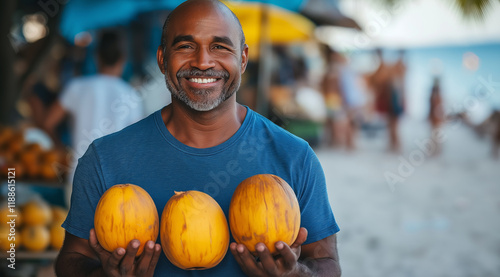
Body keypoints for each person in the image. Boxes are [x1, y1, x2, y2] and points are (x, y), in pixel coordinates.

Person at [55, 1, 341, 276]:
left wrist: (294, 274)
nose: (203, 62)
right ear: (162, 60)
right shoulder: (105, 159)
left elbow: (327, 263)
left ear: (242, 59)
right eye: (185, 46)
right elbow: (71, 260)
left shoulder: (294, 156)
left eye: (219, 46)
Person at [43, 31, 144, 200]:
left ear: (96, 57)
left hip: (79, 177)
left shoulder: (77, 87)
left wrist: (60, 150)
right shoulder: (132, 96)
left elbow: (48, 122)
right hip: (118, 184)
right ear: (123, 60)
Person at [428, 76, 445, 156]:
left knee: (436, 136)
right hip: (435, 118)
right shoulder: (436, 94)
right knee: (434, 135)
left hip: (436, 118)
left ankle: (436, 150)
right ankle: (435, 150)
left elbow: (437, 107)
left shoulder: (437, 95)